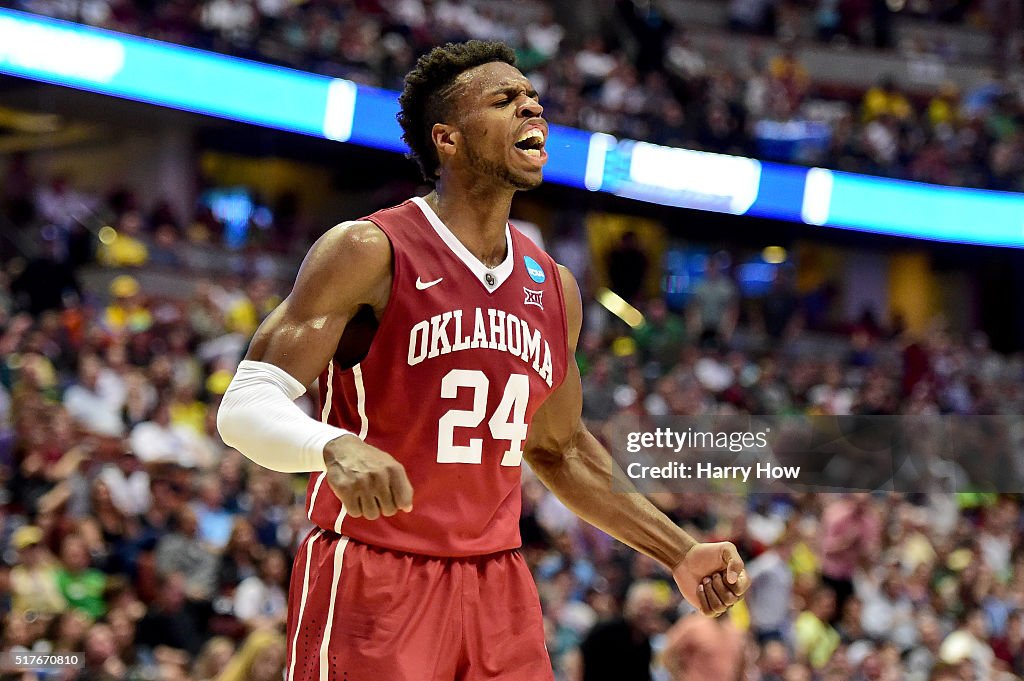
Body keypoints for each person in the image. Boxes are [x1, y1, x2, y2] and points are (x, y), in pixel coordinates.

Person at [217, 40, 749, 681]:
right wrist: (330, 444)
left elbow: (562, 452)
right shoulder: (369, 249)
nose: (532, 108)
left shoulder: (555, 287)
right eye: (504, 100)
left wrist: (679, 550)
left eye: (533, 98)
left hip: (499, 584)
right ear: (448, 138)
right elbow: (244, 405)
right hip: (377, 572)